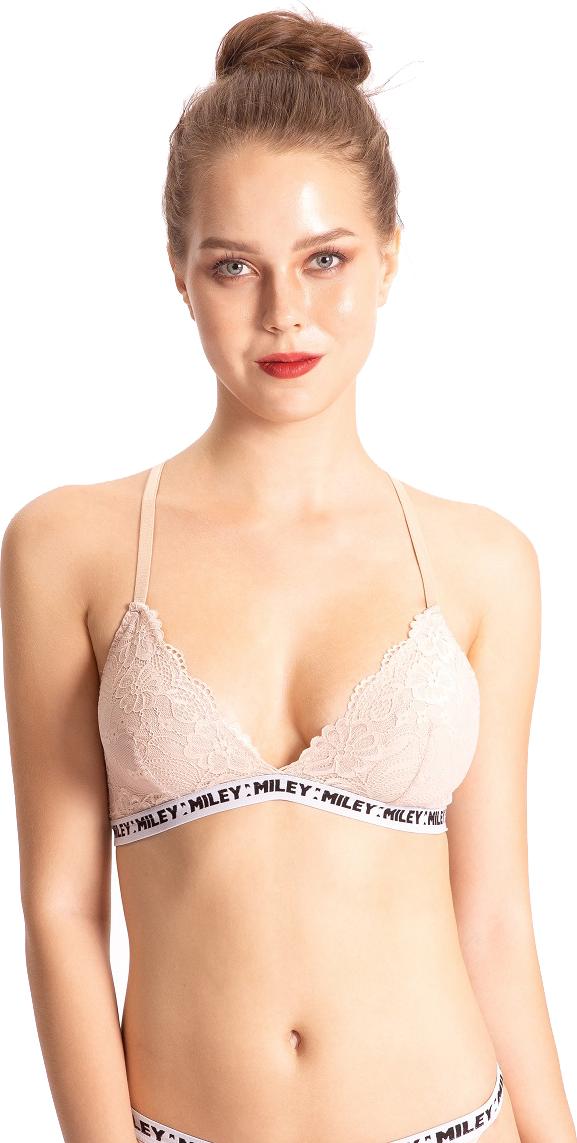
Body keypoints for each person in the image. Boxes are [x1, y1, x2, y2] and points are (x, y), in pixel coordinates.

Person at [2, 7, 575, 1143]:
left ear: (389, 255)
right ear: (179, 273)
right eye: (234, 267)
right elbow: (62, 913)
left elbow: (497, 923)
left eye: (325, 259)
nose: (285, 315)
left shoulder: (483, 564)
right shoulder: (69, 547)